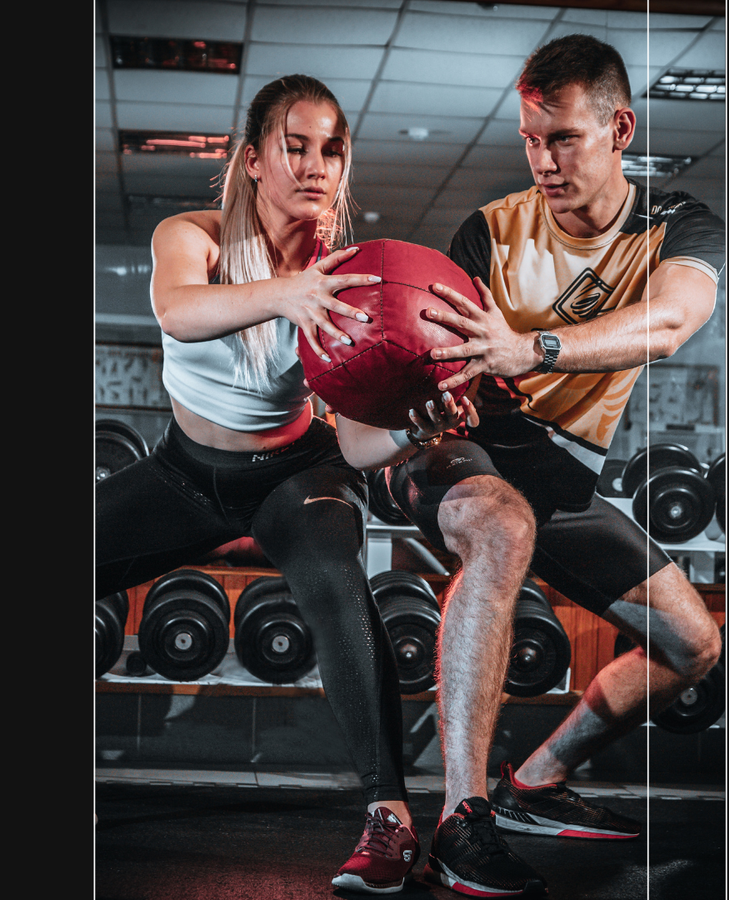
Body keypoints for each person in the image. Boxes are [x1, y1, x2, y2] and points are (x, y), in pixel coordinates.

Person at [94, 74, 474, 896]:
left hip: (297, 472)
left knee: (342, 585)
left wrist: (419, 423)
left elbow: (362, 438)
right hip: (186, 474)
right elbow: (177, 311)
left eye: (330, 148)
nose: (313, 164)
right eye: (293, 145)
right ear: (253, 160)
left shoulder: (351, 277)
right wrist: (286, 293)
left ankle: (392, 823)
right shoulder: (189, 237)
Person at [375, 33, 725, 897]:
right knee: (502, 525)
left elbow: (670, 321)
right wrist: (424, 391)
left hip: (559, 468)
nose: (543, 159)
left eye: (563, 137)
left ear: (620, 130)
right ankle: (463, 821)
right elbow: (434, 358)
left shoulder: (677, 226)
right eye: (531, 138)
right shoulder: (491, 231)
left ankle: (535, 781)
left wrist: (529, 346)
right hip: (462, 449)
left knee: (694, 644)